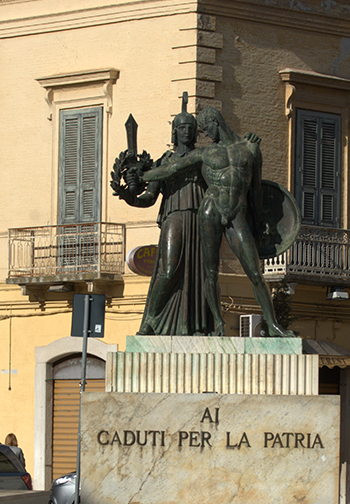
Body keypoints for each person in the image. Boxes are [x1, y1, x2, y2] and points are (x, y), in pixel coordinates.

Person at [143, 107, 295, 337]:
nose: (205, 134)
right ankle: (218, 324)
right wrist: (142, 175)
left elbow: (256, 191)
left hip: (237, 213)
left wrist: (261, 219)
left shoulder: (251, 148)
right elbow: (171, 169)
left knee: (254, 271)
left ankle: (273, 325)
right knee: (210, 272)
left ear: (215, 121)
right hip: (210, 210)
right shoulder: (205, 153)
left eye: (205, 129)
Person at [117, 105, 212, 335]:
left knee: (201, 272)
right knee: (168, 270)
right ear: (174, 132)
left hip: (201, 218)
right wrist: (131, 198)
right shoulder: (163, 162)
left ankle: (195, 324)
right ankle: (151, 320)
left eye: (190, 128)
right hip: (175, 215)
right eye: (181, 127)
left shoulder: (203, 159)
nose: (186, 132)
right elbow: (149, 197)